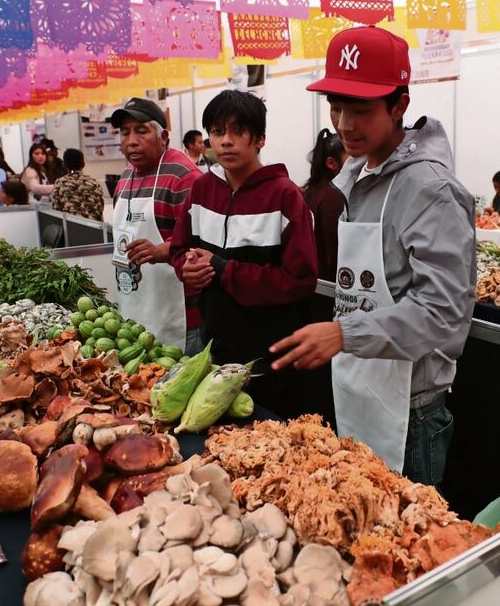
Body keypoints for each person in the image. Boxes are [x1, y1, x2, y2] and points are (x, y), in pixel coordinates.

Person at [268, 26, 476, 486]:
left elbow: (443, 313)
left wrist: (345, 333)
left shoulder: (429, 189)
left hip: (410, 414)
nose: (344, 124)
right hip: (359, 392)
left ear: (399, 105)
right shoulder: (358, 175)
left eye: (360, 109)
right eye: (336, 107)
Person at [170, 90, 318, 419]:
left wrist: (223, 269)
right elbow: (179, 249)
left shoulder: (284, 196)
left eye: (238, 131)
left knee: (271, 436)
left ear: (260, 138)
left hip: (271, 360)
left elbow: (299, 281)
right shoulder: (202, 189)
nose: (226, 141)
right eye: (217, 131)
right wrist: (186, 268)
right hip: (214, 353)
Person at [111, 97, 202, 353]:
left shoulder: (184, 177)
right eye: (125, 132)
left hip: (180, 319)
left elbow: (203, 242)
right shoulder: (126, 175)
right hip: (136, 309)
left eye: (141, 131)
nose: (131, 141)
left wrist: (159, 251)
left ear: (163, 137)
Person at [303, 128, 347, 281]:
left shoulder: (313, 191)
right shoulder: (332, 196)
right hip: (328, 285)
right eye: (352, 158)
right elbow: (335, 254)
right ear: (331, 163)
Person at [51, 148, 105, 221]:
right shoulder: (94, 183)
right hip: (92, 226)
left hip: (70, 225)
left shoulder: (60, 183)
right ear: (83, 164)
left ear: (64, 165)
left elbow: (56, 210)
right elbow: (100, 208)